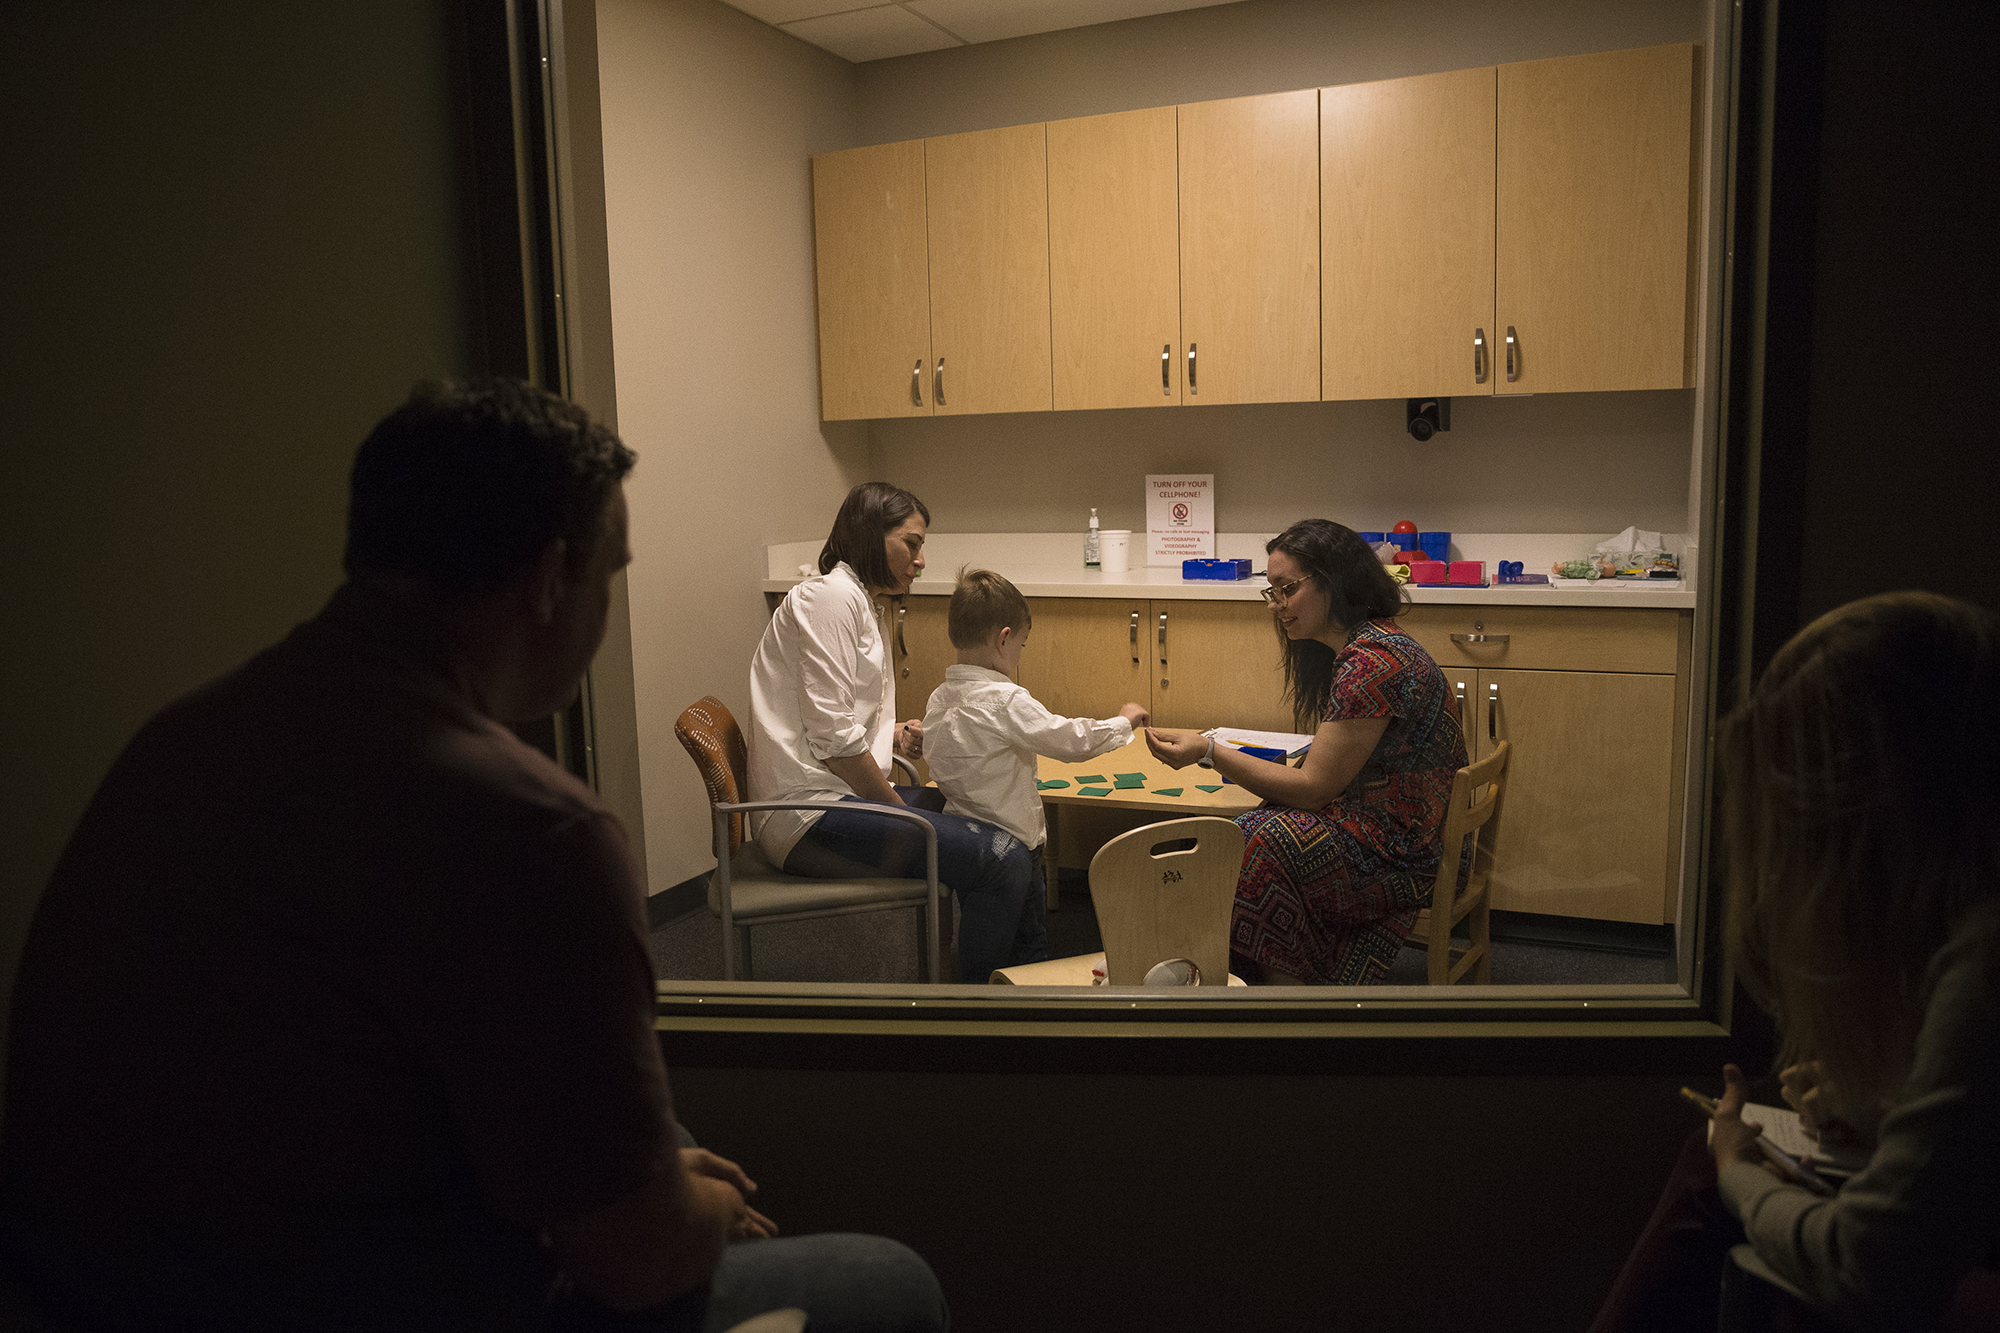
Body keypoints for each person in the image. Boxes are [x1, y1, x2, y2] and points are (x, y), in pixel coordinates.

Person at [0, 380, 946, 1333]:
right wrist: (689, 1207)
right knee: (886, 1281)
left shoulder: (182, 740)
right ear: (547, 579)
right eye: (609, 574)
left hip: (92, 1288)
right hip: (330, 1301)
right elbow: (636, 1258)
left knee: (671, 1137)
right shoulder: (531, 831)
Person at [1588, 591, 2000, 1333]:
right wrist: (1875, 1110)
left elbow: (1871, 1269)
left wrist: (1739, 1168)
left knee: (1715, 1185)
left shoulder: (1985, 959)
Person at [1144, 519, 1467, 984]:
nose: (1276, 605)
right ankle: (1265, 983)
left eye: (1286, 588)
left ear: (1333, 581)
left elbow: (1314, 790)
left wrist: (1208, 751)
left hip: (1403, 855)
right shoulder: (1372, 644)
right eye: (1271, 592)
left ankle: (1288, 996)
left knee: (1253, 842)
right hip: (1402, 829)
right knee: (1253, 827)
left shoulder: (1372, 664)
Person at [747, 484, 1038, 984]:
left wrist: (892, 734)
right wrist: (900, 814)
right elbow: (835, 739)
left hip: (835, 800)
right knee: (1002, 859)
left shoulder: (858, 601)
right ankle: (980, 1014)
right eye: (912, 543)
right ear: (869, 536)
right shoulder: (830, 599)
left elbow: (831, 719)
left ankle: (1031, 988)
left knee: (1008, 831)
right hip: (808, 818)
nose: (921, 561)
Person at [921, 569, 1150, 972]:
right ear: (1004, 639)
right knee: (1028, 944)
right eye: (1022, 645)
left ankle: (979, 991)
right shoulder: (1005, 699)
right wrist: (1123, 721)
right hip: (1018, 845)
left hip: (967, 844)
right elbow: (1069, 740)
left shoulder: (939, 698)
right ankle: (1027, 1002)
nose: (1020, 655)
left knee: (984, 932)